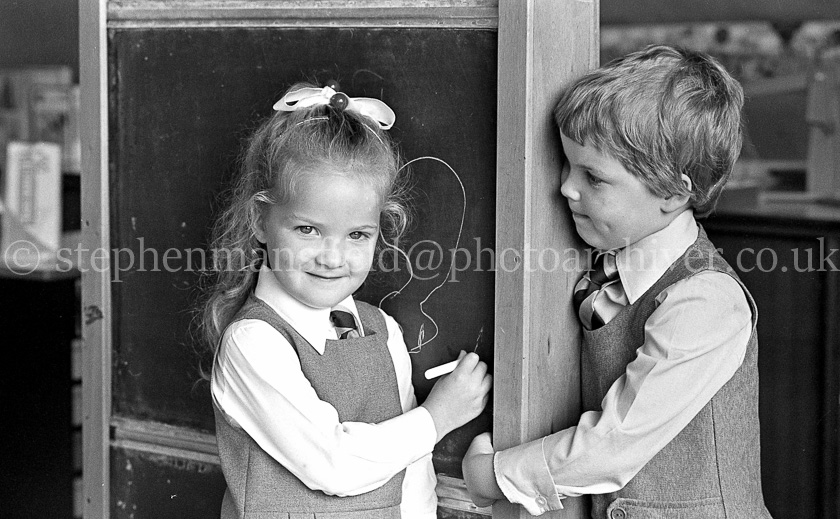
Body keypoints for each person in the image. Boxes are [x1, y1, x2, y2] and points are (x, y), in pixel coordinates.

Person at [462, 45, 772, 518]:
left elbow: (615, 443)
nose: (566, 187)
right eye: (567, 164)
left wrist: (495, 476)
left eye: (593, 177)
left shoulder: (705, 301)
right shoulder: (603, 267)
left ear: (673, 192)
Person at [199, 81, 492, 519]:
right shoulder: (254, 342)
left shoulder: (382, 330)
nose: (332, 258)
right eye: (308, 230)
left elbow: (412, 478)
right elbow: (333, 465)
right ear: (260, 220)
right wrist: (437, 417)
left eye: (357, 235)